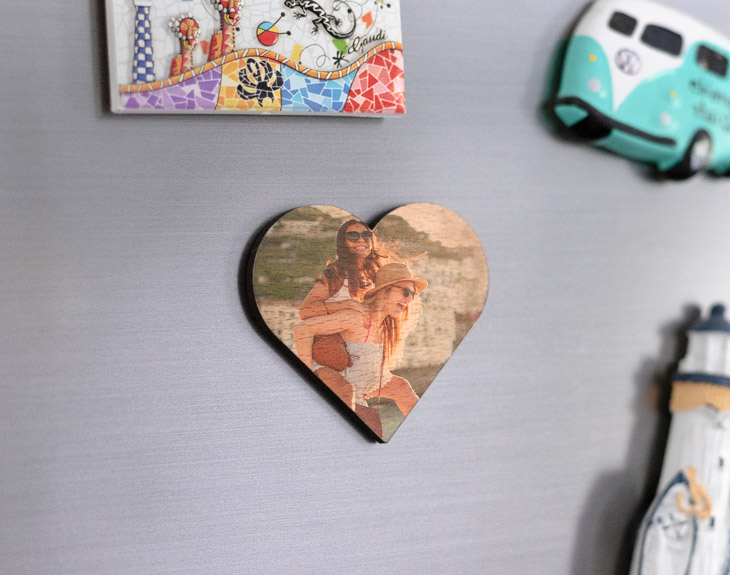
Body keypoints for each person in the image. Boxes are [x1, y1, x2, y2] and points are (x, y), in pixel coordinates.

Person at [294, 263, 426, 434]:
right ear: (385, 290)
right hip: (335, 380)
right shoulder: (356, 317)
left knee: (402, 387)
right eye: (406, 292)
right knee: (347, 394)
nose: (409, 299)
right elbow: (302, 329)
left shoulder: (385, 327)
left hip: (362, 383)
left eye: (413, 295)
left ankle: (425, 433)